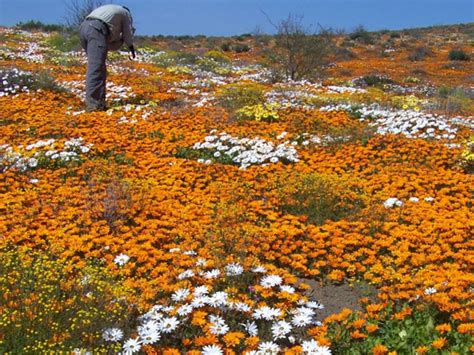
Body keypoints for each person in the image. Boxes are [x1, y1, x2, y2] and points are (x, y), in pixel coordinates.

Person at [79, 4, 136, 111]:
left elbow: (107, 44)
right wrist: (130, 46)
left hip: (84, 28)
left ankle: (97, 101)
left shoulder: (110, 11)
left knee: (97, 67)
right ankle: (94, 106)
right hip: (96, 29)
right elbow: (127, 33)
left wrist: (119, 41)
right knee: (96, 68)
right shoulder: (125, 14)